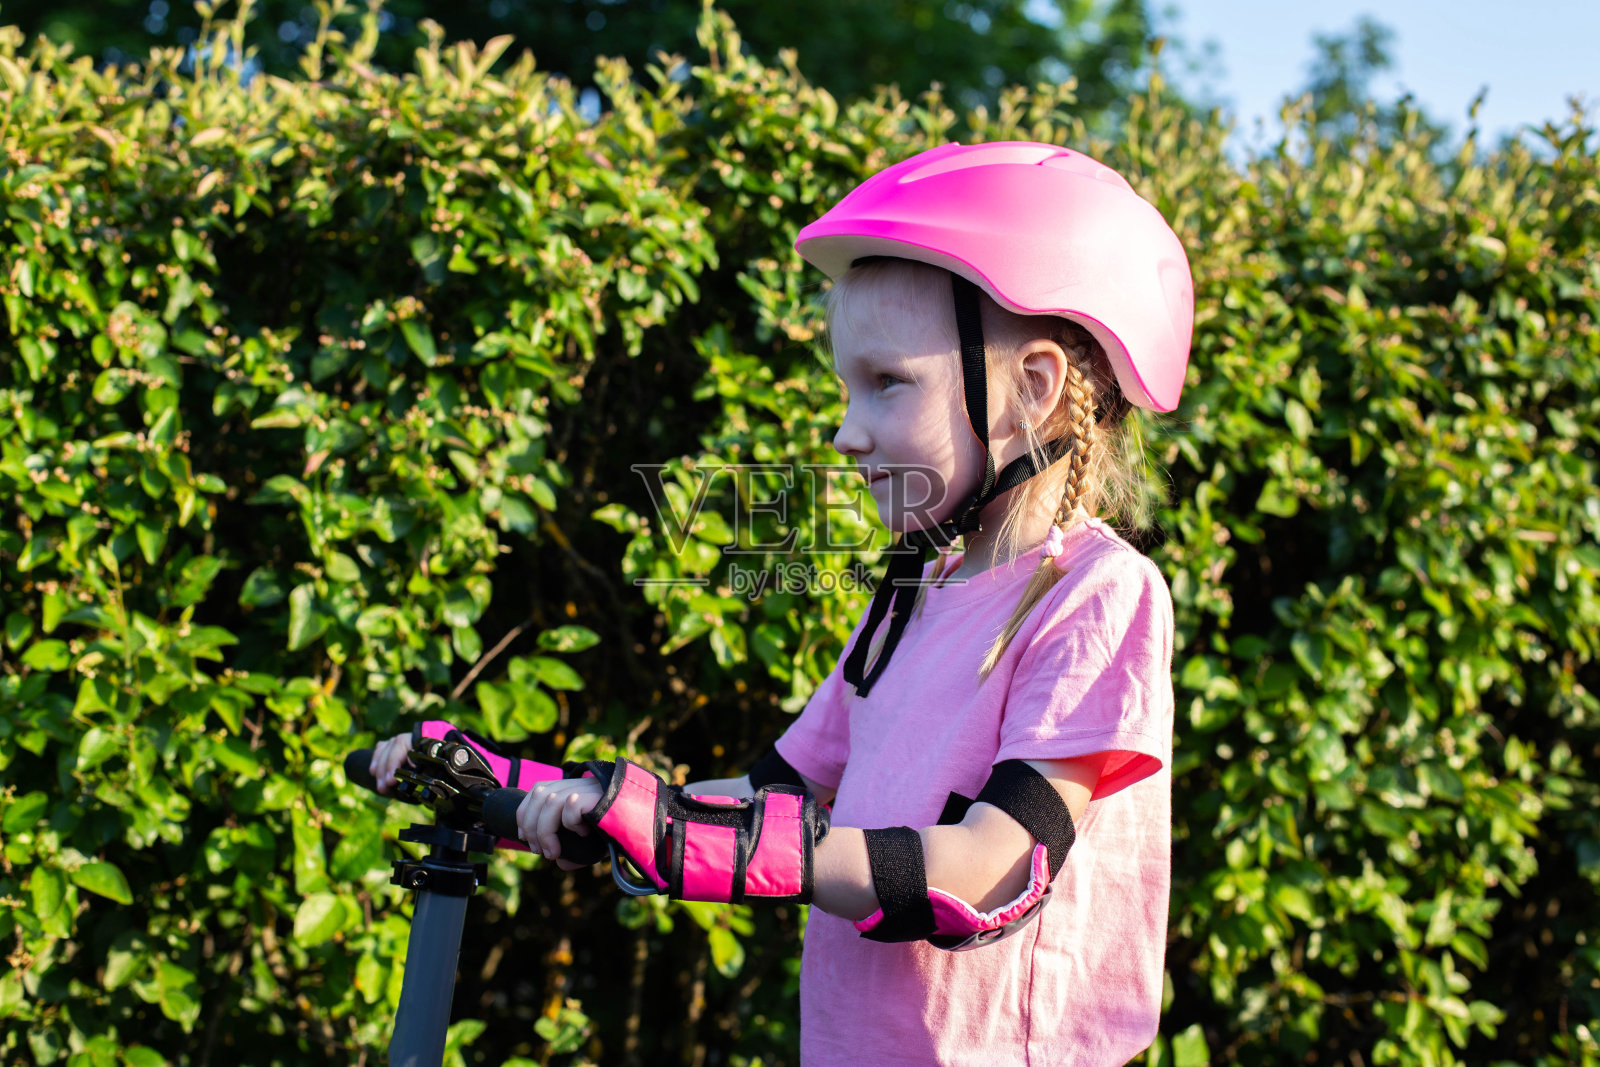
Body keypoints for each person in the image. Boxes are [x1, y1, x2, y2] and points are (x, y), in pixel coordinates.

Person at [370, 140, 1191, 1065]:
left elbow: (993, 866)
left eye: (887, 382)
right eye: (848, 388)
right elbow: (773, 796)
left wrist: (715, 845)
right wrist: (550, 793)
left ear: (1031, 392)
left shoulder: (1096, 594)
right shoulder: (910, 598)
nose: (847, 431)